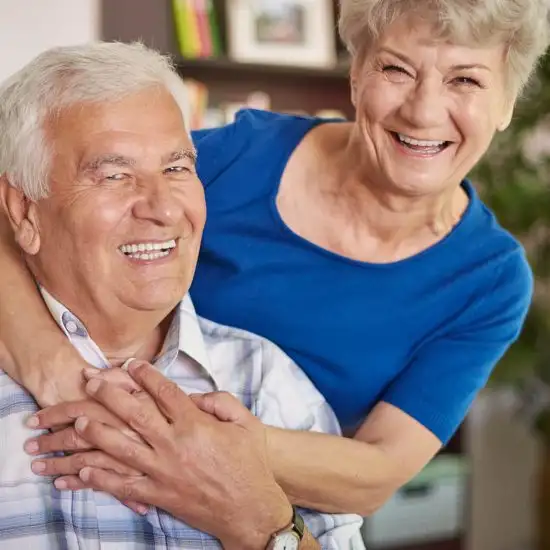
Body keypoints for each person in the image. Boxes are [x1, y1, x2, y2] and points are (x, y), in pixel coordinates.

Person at [0, 0, 549, 520]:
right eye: (397, 69)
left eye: (466, 79)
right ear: (356, 73)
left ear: (505, 103)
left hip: (273, 511)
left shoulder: (490, 280)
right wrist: (50, 364)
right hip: (87, 449)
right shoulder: (238, 157)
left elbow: (377, 472)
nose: (425, 109)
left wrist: (198, 445)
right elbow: (24, 205)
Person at [0, 42, 362, 549]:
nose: (163, 209)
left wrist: (261, 523)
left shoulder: (265, 378)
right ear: (22, 210)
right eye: (114, 175)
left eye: (176, 169)